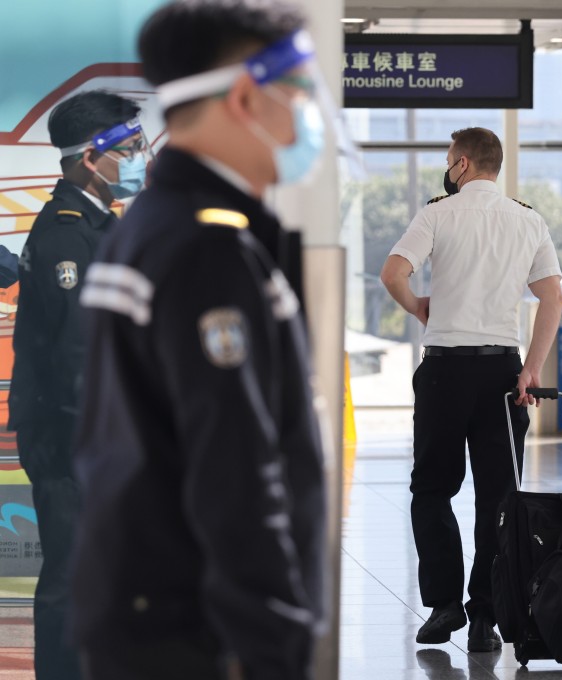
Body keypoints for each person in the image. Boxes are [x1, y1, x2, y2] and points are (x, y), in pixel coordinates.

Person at [69, 1, 329, 677]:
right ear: (245, 96)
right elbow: (236, 471)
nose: (308, 113)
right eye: (299, 91)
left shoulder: (153, 228)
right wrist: (277, 646)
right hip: (197, 630)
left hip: (146, 608)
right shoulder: (207, 251)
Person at [380, 127, 562, 653]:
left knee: (432, 489)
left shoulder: (437, 213)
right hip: (502, 375)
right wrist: (530, 369)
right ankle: (486, 613)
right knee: (499, 498)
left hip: (444, 372)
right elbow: (553, 298)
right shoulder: (528, 219)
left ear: (462, 164)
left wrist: (419, 306)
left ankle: (444, 605)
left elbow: (393, 273)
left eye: (447, 160)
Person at [7, 89, 145, 680]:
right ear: (93, 157)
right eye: (133, 147)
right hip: (69, 430)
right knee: (69, 570)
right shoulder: (68, 232)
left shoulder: (96, 222)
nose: (143, 157)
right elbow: (74, 352)